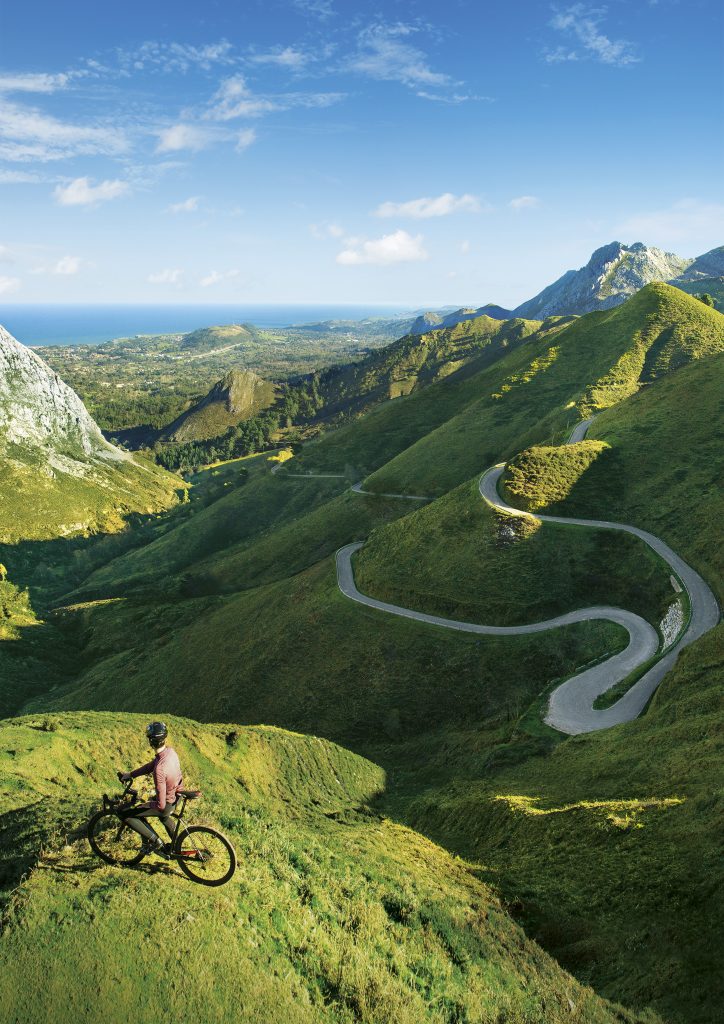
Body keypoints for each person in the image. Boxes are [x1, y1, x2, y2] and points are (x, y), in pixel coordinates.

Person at [119, 721, 184, 857]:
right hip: (177, 797)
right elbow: (150, 766)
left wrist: (145, 804)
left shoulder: (159, 770)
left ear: (151, 741)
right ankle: (178, 846)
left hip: (166, 804)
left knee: (127, 815)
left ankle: (155, 842)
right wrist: (130, 774)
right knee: (164, 817)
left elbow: (160, 805)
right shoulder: (170, 752)